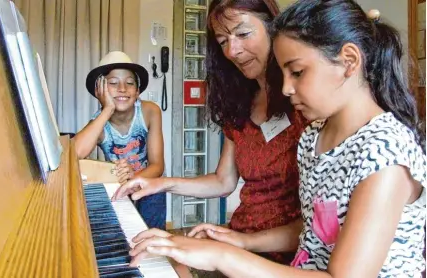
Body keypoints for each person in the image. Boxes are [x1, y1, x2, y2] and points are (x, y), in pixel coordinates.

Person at [126, 1, 427, 277]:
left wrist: (222, 256)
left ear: (349, 60)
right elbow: (313, 229)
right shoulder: (314, 137)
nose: (285, 88)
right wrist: (242, 241)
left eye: (297, 72)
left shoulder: (385, 153)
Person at [113, 0, 306, 265]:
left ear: (274, 27)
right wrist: (161, 183)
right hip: (238, 241)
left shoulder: (305, 101)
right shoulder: (242, 102)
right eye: (223, 41)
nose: (233, 51)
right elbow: (223, 181)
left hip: (286, 257)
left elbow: (319, 224)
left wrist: (236, 244)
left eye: (243, 34)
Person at [74, 51, 167, 230]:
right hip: (119, 186)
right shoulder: (99, 124)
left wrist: (133, 178)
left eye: (130, 83)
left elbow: (157, 166)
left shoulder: (150, 112)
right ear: (99, 90)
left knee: (153, 233)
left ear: (138, 91)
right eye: (113, 83)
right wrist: (107, 108)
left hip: (148, 182)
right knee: (124, 235)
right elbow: (76, 153)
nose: (122, 88)